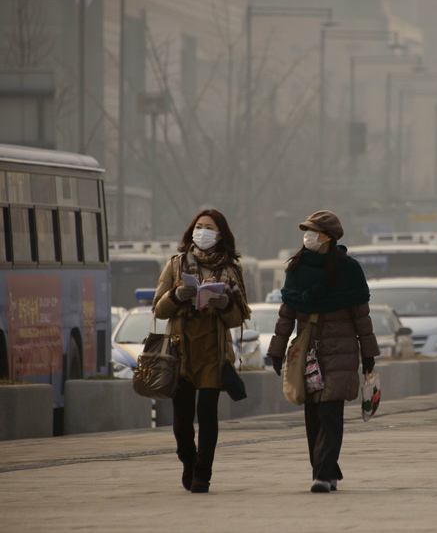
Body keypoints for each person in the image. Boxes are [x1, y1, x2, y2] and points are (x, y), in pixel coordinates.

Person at [268, 210, 380, 493]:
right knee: (313, 414)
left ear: (328, 237)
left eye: (313, 232)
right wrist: (276, 351)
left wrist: (369, 356)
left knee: (331, 412)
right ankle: (327, 470)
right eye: (306, 232)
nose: (308, 237)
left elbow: (361, 318)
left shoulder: (349, 270)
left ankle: (320, 474)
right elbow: (286, 315)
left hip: (340, 351)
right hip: (308, 351)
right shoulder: (296, 268)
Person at [153, 209, 250, 493]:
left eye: (209, 227)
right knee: (182, 417)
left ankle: (202, 473)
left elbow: (238, 318)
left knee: (207, 413)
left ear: (220, 235)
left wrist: (224, 304)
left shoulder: (231, 270)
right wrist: (175, 295)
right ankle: (188, 459)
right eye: (199, 226)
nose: (203, 231)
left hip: (212, 350)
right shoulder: (175, 264)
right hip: (181, 350)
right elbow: (158, 309)